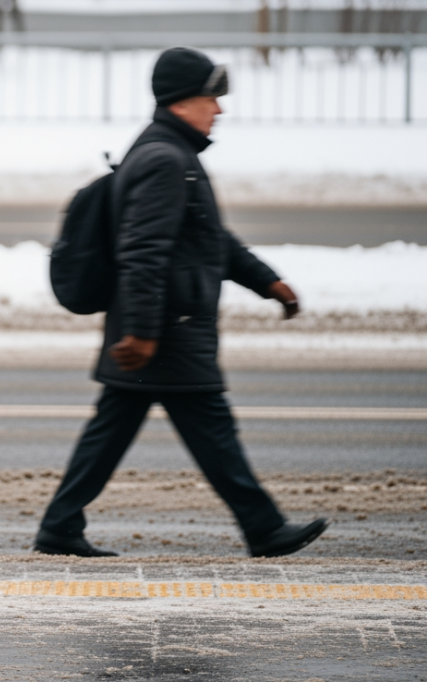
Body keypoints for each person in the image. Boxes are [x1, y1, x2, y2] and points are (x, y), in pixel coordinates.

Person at [34, 47, 328, 559]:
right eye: (212, 97)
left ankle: (60, 525)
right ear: (182, 100)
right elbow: (143, 252)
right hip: (168, 328)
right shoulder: (165, 159)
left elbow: (209, 240)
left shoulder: (170, 154)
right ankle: (263, 528)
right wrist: (145, 332)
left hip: (162, 326)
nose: (219, 109)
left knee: (114, 431)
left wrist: (267, 282)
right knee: (211, 431)